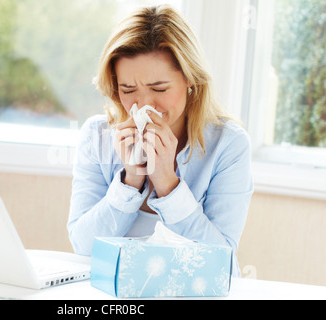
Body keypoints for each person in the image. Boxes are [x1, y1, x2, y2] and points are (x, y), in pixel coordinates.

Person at [67, 4, 253, 277]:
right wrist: (130, 180)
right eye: (128, 89)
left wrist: (167, 183)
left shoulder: (229, 145)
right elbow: (82, 246)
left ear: (190, 79)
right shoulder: (98, 137)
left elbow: (220, 263)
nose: (144, 104)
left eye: (159, 88)